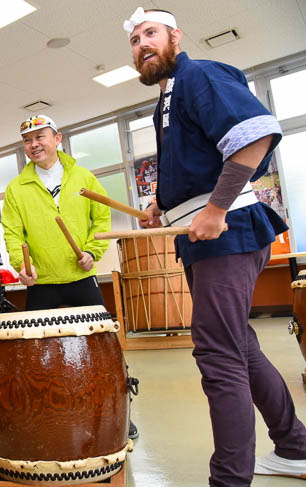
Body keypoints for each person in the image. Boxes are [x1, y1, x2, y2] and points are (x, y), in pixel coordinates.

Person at [125, 7, 306, 484]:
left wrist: (216, 210)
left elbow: (256, 135)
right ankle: (295, 447)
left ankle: (229, 479)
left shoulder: (199, 75)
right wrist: (161, 207)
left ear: (175, 37)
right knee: (239, 346)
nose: (142, 44)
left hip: (228, 234)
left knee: (217, 354)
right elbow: (196, 165)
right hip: (206, 240)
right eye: (135, 40)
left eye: (151, 34)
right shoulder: (166, 98)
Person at [1, 114, 139, 440]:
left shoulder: (84, 177)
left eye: (40, 137)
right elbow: (11, 232)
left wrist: (92, 251)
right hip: (43, 282)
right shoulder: (16, 188)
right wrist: (23, 265)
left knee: (105, 347)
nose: (34, 144)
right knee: (34, 353)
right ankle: (40, 414)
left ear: (57, 138)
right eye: (27, 140)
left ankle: (120, 412)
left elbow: (101, 218)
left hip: (80, 278)